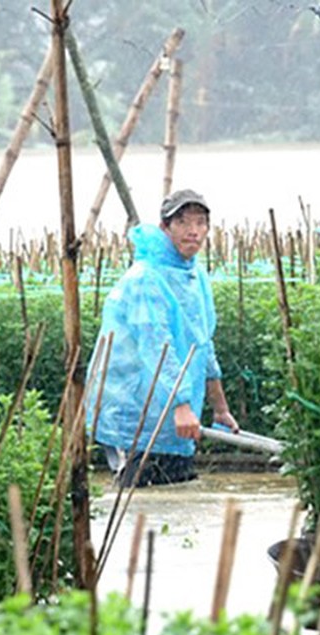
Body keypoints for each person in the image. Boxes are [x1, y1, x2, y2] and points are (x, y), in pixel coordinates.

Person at [86, 189, 239, 488]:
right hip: (136, 414)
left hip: (175, 418)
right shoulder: (145, 278)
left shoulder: (195, 276)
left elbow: (203, 344)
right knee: (135, 497)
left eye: (200, 223)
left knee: (176, 498)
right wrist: (181, 404)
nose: (192, 231)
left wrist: (220, 409)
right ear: (165, 228)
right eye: (182, 222)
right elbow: (157, 346)